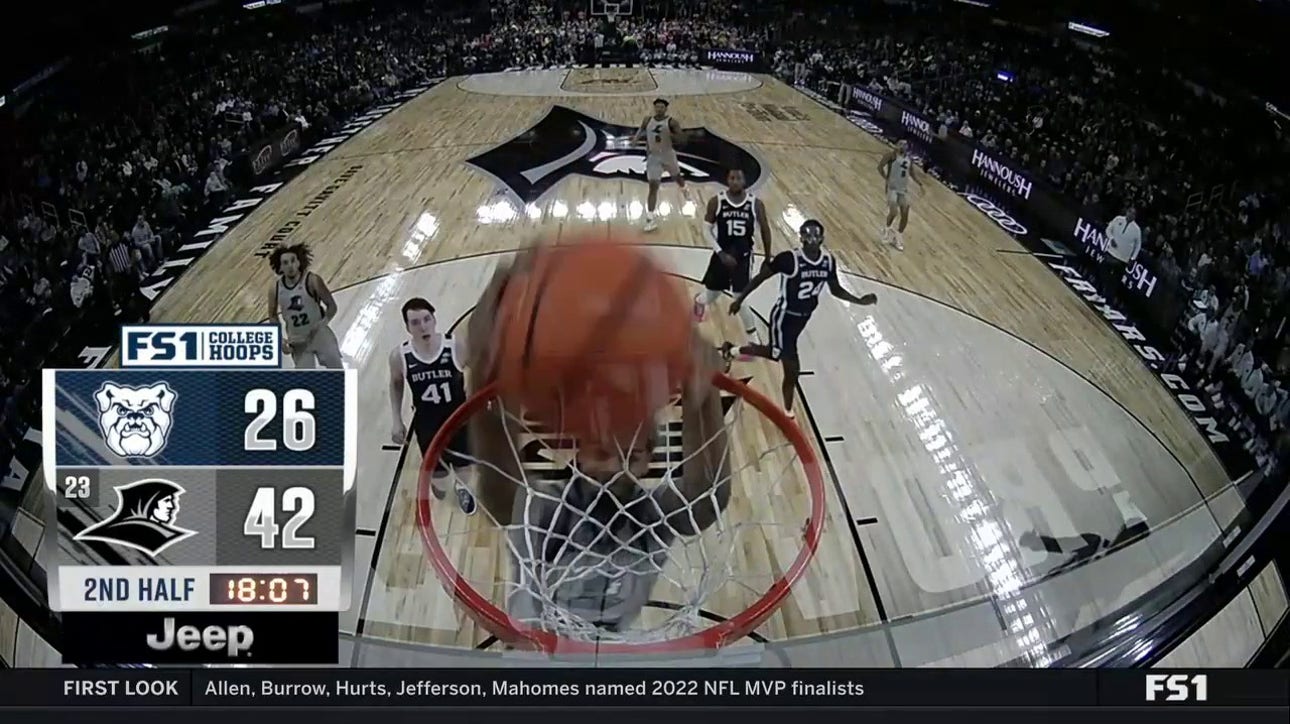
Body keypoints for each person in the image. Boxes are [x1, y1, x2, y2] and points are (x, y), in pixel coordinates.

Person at [460, 250, 732, 635]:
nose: (614, 457)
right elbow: (501, 497)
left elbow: (706, 500)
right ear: (581, 446)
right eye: (603, 444)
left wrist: (701, 400)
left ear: (648, 459)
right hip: (537, 655)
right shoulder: (551, 506)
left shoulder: (649, 514)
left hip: (612, 646)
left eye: (630, 448)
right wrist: (487, 375)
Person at [725, 219, 877, 418]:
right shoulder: (789, 259)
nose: (813, 240)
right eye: (809, 236)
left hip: (804, 318)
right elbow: (761, 277)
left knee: (774, 353)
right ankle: (788, 413)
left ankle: (732, 351)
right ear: (802, 238)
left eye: (816, 236)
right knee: (792, 367)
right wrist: (740, 299)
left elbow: (836, 289)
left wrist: (859, 300)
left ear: (822, 239)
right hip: (784, 317)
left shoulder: (828, 262)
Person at [388, 297, 476, 514]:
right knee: (438, 476)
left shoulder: (454, 345)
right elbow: (396, 384)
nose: (423, 326)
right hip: (427, 424)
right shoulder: (400, 356)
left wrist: (476, 393)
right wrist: (396, 419)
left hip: (459, 418)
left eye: (427, 319)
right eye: (416, 322)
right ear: (408, 328)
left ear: (434, 319)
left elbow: (477, 368)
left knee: (464, 464)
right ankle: (443, 484)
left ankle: (463, 489)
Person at [693, 167, 771, 338]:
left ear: (745, 181)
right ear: (727, 180)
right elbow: (706, 230)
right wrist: (720, 253)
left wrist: (767, 257)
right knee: (712, 295)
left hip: (743, 258)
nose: (735, 181)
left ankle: (753, 340)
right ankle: (699, 301)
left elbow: (765, 230)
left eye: (738, 178)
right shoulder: (717, 201)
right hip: (722, 255)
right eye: (732, 178)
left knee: (739, 297)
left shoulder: (755, 204)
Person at [266, 243, 344, 369]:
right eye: (285, 263)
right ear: (280, 267)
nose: (290, 266)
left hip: (320, 334)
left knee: (337, 373)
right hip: (297, 340)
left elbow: (332, 306)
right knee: (305, 382)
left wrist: (322, 323)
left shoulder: (312, 280)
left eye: (293, 261)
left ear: (299, 262)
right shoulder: (275, 288)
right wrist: (279, 339)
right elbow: (273, 315)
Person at [631, 98, 688, 233]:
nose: (659, 109)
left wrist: (677, 136)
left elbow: (682, 138)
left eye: (661, 107)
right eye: (657, 107)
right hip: (653, 157)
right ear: (654, 108)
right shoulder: (647, 120)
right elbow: (641, 130)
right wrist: (635, 139)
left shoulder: (672, 122)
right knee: (653, 187)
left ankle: (684, 188)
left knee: (677, 177)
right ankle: (650, 219)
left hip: (668, 155)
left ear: (666, 108)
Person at [877, 140, 922, 250]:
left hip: (903, 190)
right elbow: (880, 167)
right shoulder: (891, 155)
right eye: (901, 144)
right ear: (896, 145)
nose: (903, 146)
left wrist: (920, 183)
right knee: (893, 211)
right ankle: (886, 230)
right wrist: (886, 178)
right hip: (892, 188)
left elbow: (912, 173)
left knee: (905, 213)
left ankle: (898, 236)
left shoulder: (909, 159)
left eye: (905, 144)